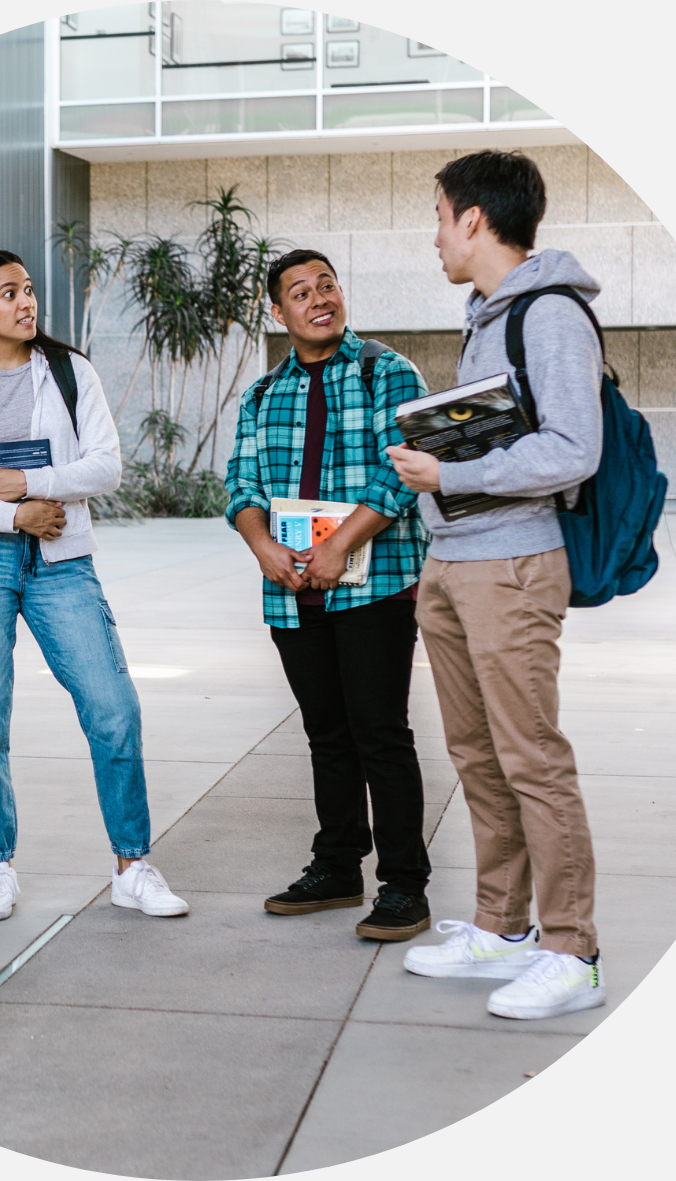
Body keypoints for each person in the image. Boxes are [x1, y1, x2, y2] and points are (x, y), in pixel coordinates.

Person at [389, 150, 606, 1019]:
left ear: (473, 218)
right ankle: (501, 926)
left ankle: (571, 949)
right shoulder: (487, 314)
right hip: (455, 562)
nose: (435, 236)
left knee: (530, 758)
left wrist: (450, 478)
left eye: (439, 216)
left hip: (511, 563)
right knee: (476, 755)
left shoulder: (549, 314)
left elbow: (571, 450)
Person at [0, 250, 188, 921]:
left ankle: (132, 866)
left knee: (112, 707)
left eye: (29, 290)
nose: (26, 302)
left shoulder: (68, 372)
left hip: (61, 561)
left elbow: (106, 466)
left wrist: (34, 486)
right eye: (9, 293)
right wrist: (14, 515)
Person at [225, 248, 432, 941]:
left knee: (380, 735)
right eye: (300, 292)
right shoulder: (261, 395)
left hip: (373, 584)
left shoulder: (385, 372)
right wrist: (263, 548)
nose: (319, 299)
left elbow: (401, 473)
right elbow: (241, 486)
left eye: (327, 285)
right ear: (276, 311)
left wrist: (340, 543)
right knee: (326, 736)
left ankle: (404, 885)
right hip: (292, 592)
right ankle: (337, 865)